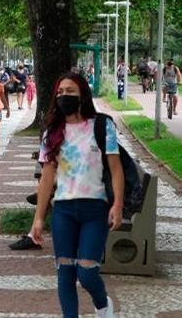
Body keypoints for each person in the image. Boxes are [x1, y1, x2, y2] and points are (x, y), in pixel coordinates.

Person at [30, 73, 124, 318]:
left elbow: (115, 169)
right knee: (65, 272)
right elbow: (47, 178)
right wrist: (38, 218)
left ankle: (103, 305)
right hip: (63, 211)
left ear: (83, 95)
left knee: (87, 272)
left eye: (70, 91)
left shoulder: (102, 125)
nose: (64, 96)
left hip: (95, 210)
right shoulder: (52, 132)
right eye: (60, 92)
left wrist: (118, 205)